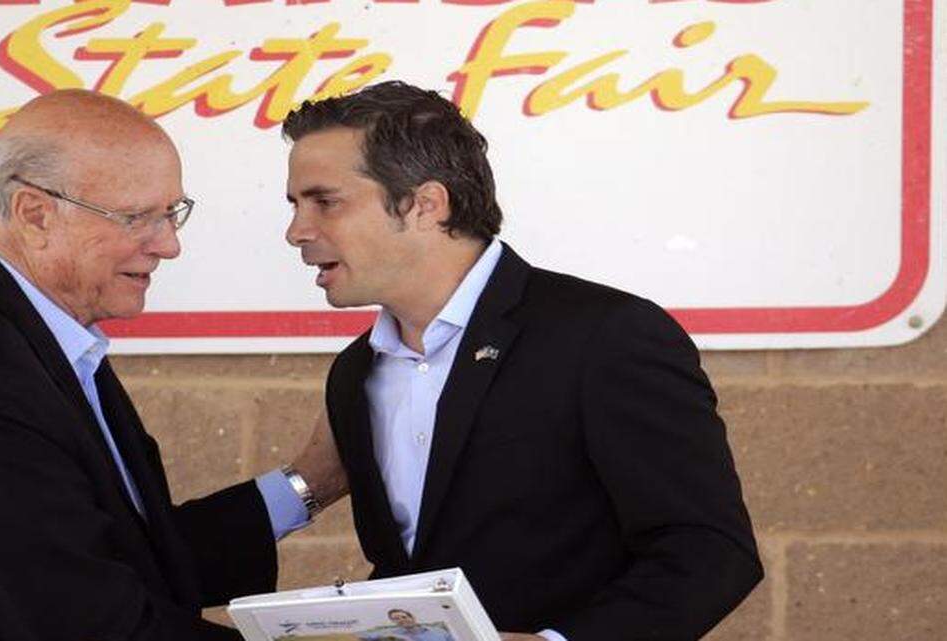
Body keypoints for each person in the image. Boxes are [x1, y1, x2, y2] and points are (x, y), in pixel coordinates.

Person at [0, 89, 346, 641]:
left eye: (172, 213)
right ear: (35, 214)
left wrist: (309, 483)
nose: (169, 245)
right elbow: (95, 624)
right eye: (137, 218)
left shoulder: (36, 339)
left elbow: (132, 556)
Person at [281, 81, 762, 641]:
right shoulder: (354, 373)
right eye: (294, 205)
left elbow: (710, 552)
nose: (297, 231)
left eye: (325, 201)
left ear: (425, 204)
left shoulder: (607, 336)